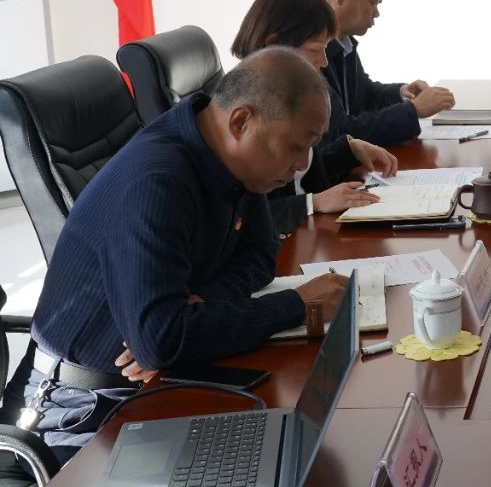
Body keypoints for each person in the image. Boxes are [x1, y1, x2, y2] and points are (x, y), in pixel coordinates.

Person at [1, 48, 350, 461]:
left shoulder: (236, 162)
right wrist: (296, 304)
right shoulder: (157, 179)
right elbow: (160, 342)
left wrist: (201, 306)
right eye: (296, 146)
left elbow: (260, 257)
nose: (302, 164)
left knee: (298, 442)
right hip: (78, 414)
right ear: (241, 121)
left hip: (153, 383)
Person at [231, 0, 400, 236]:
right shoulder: (246, 112)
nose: (323, 62)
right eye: (316, 50)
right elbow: (238, 219)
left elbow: (299, 175)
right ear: (273, 44)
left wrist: (349, 151)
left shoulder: (285, 92)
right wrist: (313, 203)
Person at [315, 0, 455, 146]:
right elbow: (340, 132)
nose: (376, 13)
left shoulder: (343, 41)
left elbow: (365, 94)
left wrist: (402, 93)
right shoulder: (307, 48)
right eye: (374, 1)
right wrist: (413, 110)